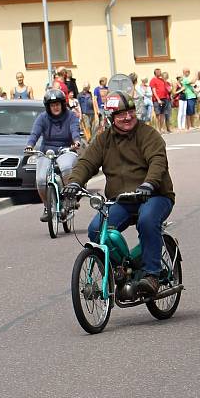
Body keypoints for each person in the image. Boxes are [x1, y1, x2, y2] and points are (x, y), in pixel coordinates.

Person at [63, 91, 175, 297]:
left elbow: (157, 161)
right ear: (111, 118)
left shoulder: (148, 134)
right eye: (121, 114)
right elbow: (86, 163)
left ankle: (152, 275)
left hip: (154, 195)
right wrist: (74, 183)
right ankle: (121, 269)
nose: (127, 117)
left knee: (148, 221)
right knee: (96, 229)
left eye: (131, 111)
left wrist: (149, 184)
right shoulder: (104, 140)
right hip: (121, 199)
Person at [24, 89, 81, 222]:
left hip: (66, 149)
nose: (55, 107)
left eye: (57, 104)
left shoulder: (71, 116)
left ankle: (69, 198)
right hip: (46, 152)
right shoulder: (42, 117)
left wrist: (76, 141)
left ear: (62, 104)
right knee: (40, 180)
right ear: (48, 107)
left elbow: (74, 129)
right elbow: (35, 133)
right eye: (52, 105)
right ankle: (47, 206)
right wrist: (30, 145)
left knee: (66, 167)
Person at [149, 69, 171, 134]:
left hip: (165, 98)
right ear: (155, 73)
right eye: (159, 72)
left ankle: (161, 128)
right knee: (157, 114)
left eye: (160, 72)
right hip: (157, 100)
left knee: (163, 114)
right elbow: (154, 90)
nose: (160, 73)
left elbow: (167, 88)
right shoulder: (153, 80)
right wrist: (158, 99)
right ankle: (157, 129)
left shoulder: (162, 80)